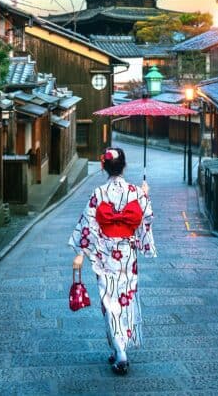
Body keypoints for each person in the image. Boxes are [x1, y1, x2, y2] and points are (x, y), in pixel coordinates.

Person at [69, 147, 156, 375]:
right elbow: (146, 217)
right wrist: (145, 194)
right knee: (125, 299)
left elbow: (88, 224)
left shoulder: (99, 193)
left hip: (105, 253)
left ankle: (120, 352)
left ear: (103, 167)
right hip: (127, 253)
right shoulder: (134, 191)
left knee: (110, 301)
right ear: (124, 166)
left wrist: (81, 252)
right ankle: (120, 347)